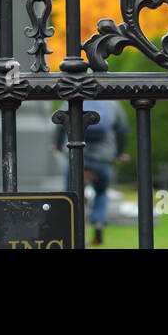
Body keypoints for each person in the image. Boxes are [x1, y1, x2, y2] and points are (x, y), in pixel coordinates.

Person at [53, 99, 130, 246]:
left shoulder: (72, 98)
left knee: (71, 195)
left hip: (76, 156)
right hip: (102, 158)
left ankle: (70, 229)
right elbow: (122, 130)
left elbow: (59, 121)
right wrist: (119, 153)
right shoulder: (112, 103)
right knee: (101, 193)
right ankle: (99, 222)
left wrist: (57, 146)